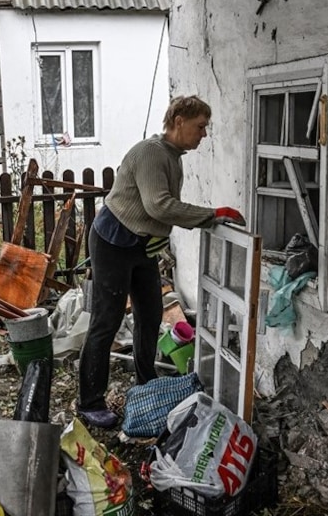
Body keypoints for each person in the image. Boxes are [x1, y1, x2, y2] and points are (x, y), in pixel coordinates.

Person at [76, 95, 246, 428]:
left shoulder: (173, 155)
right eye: (200, 127)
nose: (204, 135)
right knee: (106, 321)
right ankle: (89, 401)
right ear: (179, 120)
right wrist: (212, 215)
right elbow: (159, 207)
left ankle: (146, 381)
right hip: (113, 241)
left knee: (151, 314)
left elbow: (155, 213)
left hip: (142, 245)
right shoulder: (151, 153)